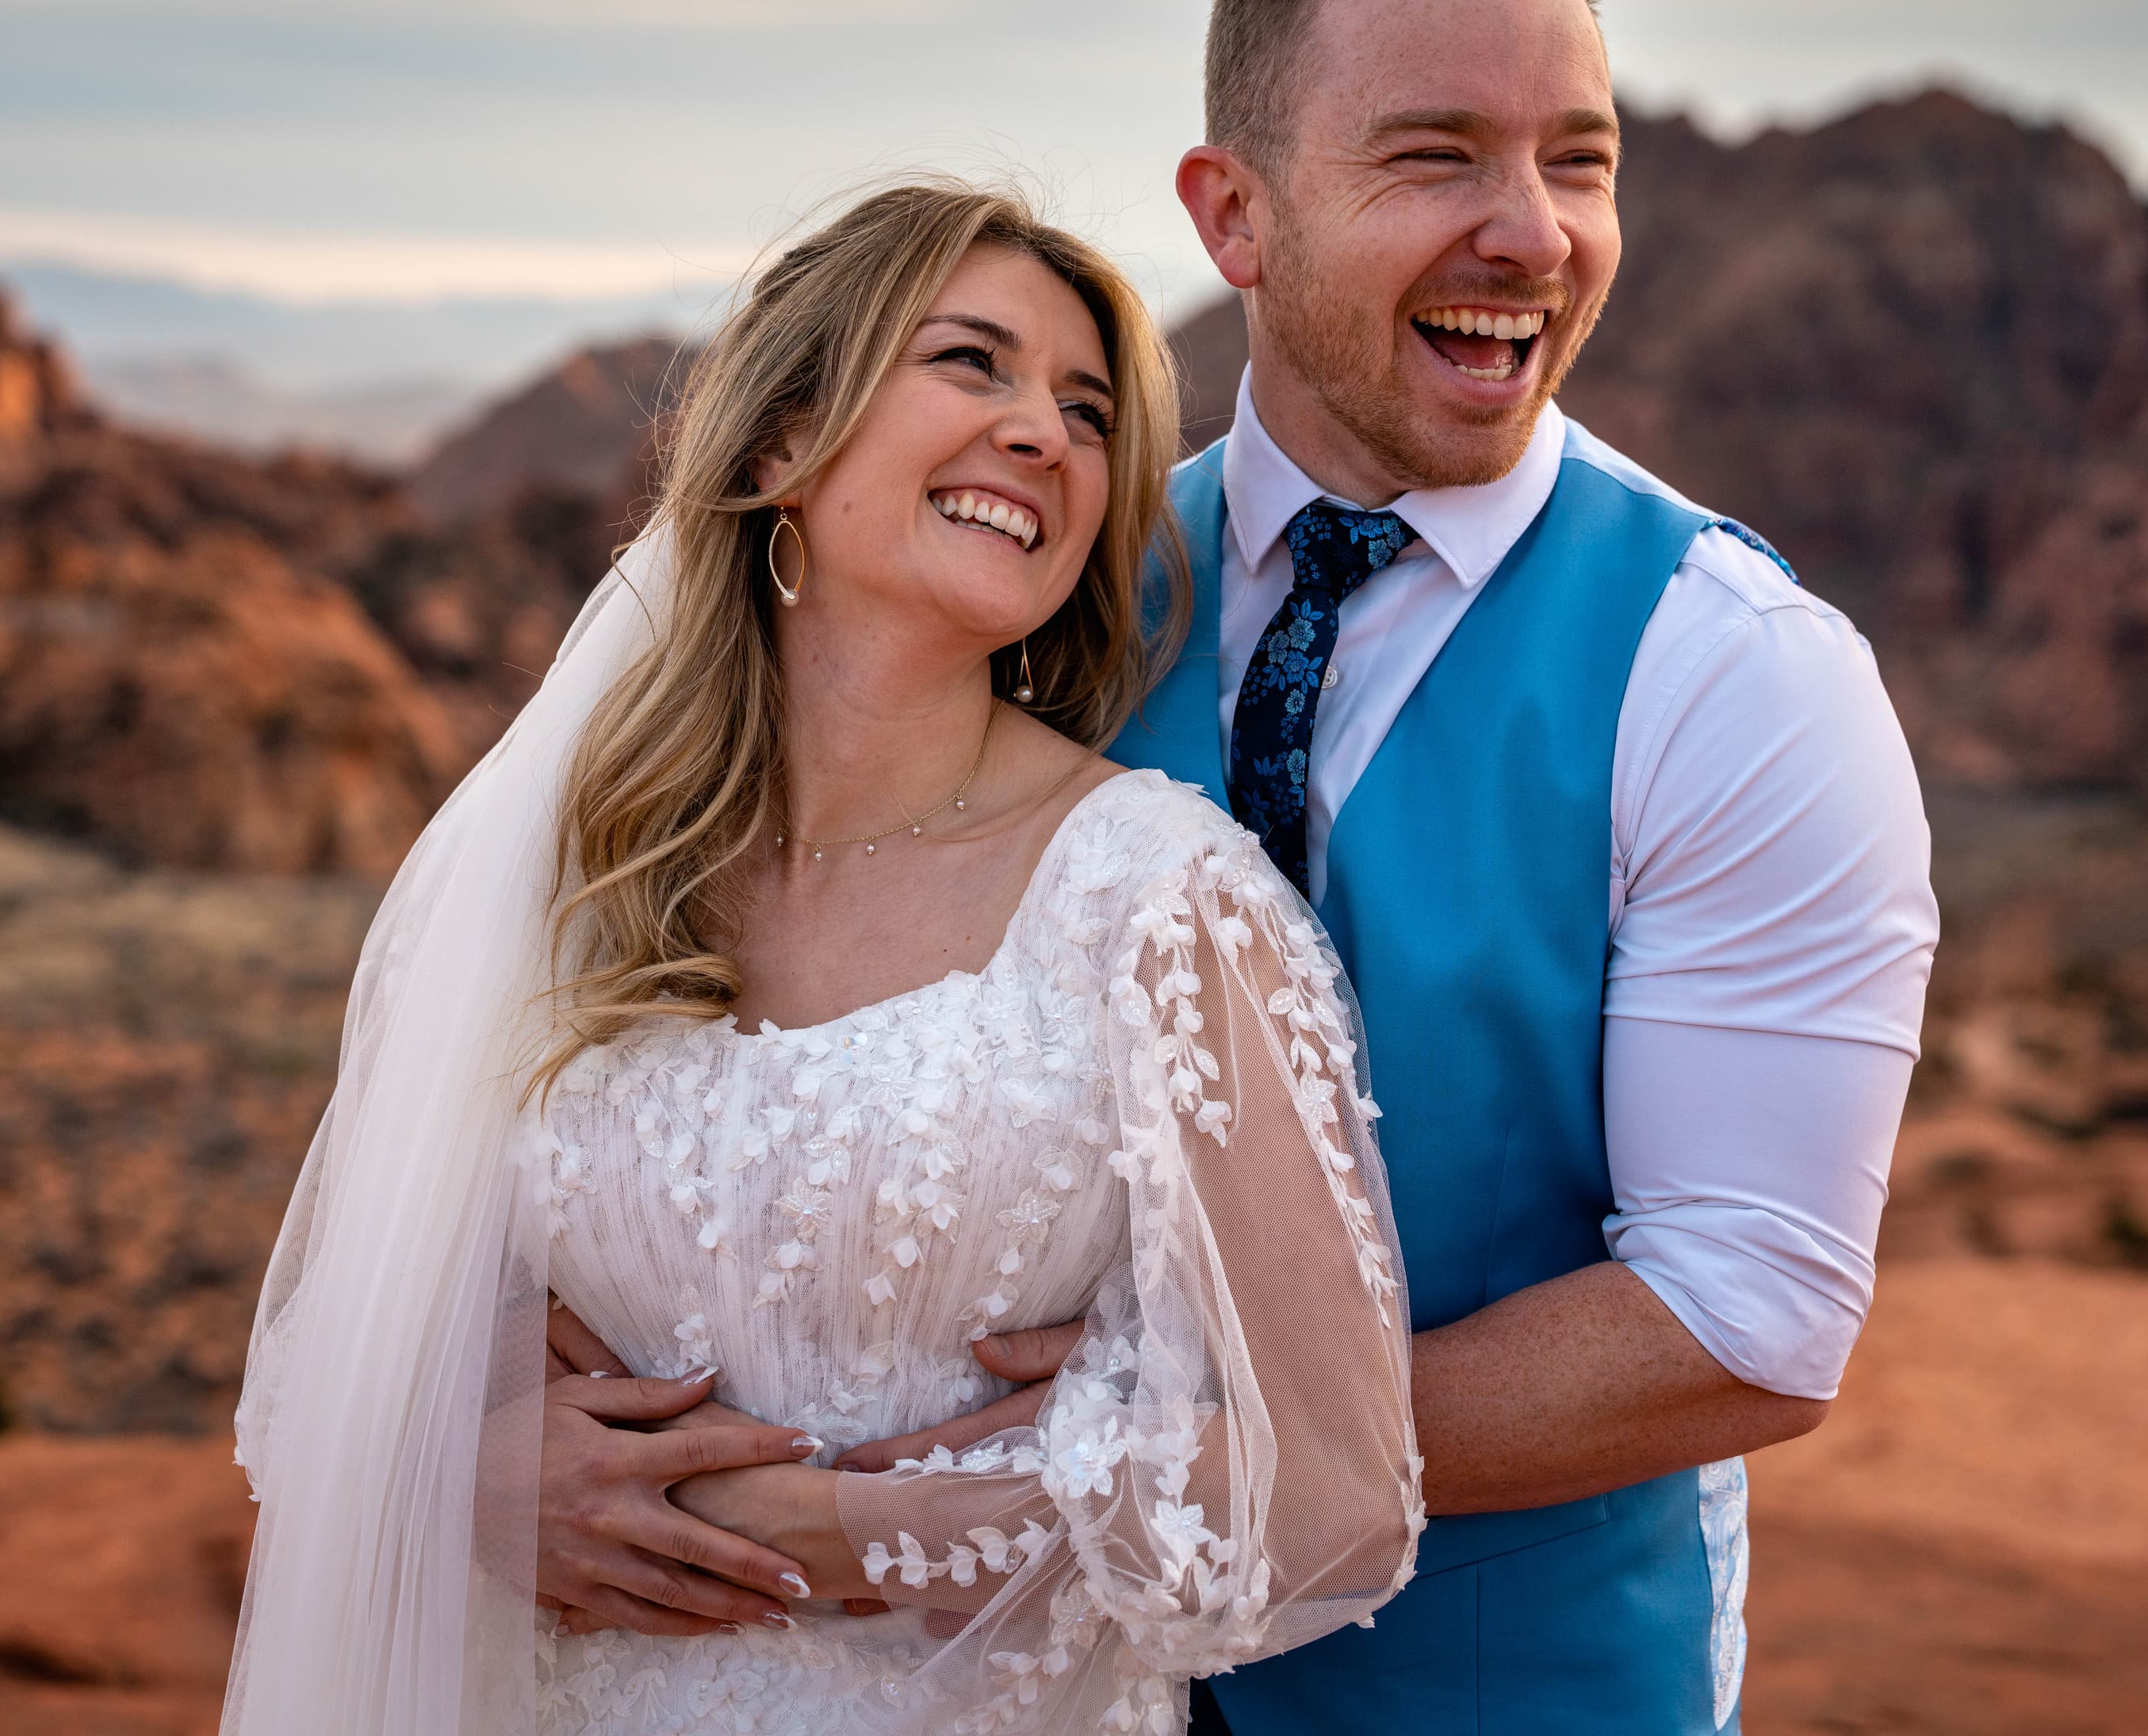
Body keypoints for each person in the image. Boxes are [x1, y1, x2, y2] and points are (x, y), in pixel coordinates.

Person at [830, 0, 1942, 1734]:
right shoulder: (1049, 602)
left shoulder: (1737, 677)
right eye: (1439, 157)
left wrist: (1130, 1473)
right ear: (1233, 214)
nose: (1534, 231)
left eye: (1577, 161)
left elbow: (1746, 1322)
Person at [221, 182, 1424, 1734]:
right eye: (972, 364)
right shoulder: (572, 872)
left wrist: (830, 1539)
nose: (1045, 434)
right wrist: (469, 1470)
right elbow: (347, 1330)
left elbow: (1330, 1490)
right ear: (783, 445)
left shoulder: (1161, 902)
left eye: (1085, 408)